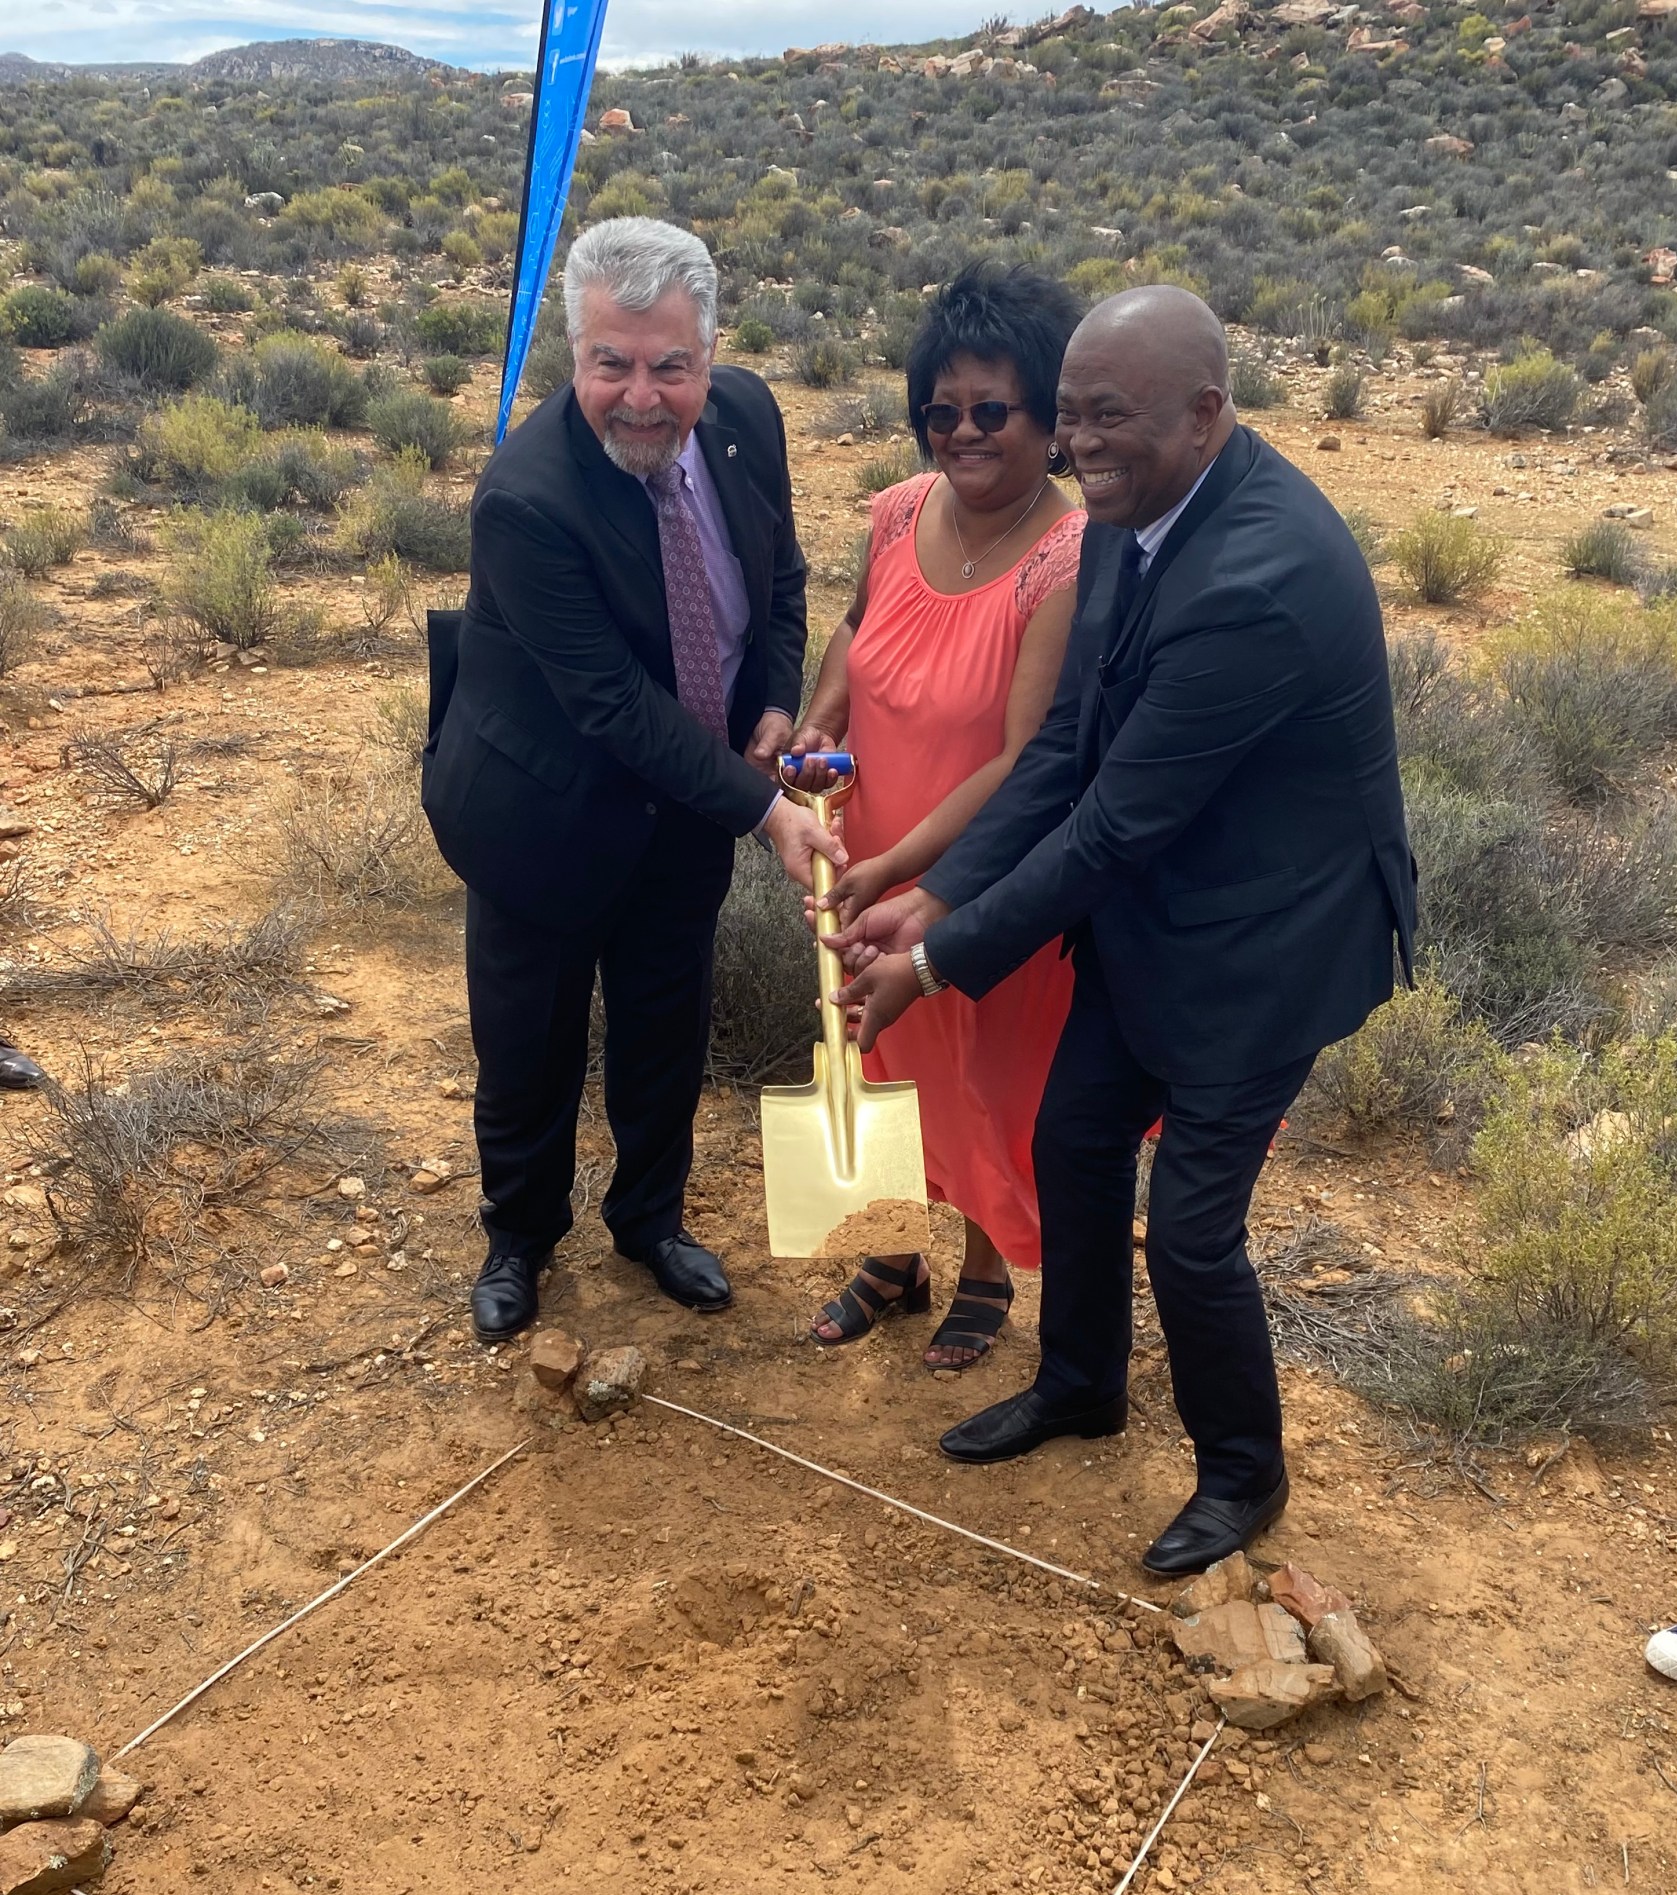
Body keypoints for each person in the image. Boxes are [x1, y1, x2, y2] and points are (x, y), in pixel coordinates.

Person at [829, 285, 1416, 1579]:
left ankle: (1241, 1472)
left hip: (1263, 952)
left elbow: (1112, 828)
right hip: (1155, 921)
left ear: (1208, 412)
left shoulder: (1257, 578)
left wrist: (932, 961)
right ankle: (1082, 1381)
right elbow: (1067, 760)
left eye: (1112, 418)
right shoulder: (1129, 515)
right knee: (1074, 1138)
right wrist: (944, 889)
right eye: (1074, 415)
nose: (1081, 443)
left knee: (1195, 1227)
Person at [423, 216, 842, 1343]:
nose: (643, 396)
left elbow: (783, 577)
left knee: (667, 1021)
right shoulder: (528, 496)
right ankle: (520, 1237)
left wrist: (771, 700)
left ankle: (650, 1221)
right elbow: (609, 704)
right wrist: (762, 808)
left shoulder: (748, 419)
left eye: (671, 365)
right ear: (576, 357)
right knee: (530, 1041)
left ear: (711, 354)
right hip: (543, 812)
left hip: (684, 806)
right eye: (613, 363)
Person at [788, 265, 1086, 1368]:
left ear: (1047, 417)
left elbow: (1022, 761)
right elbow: (856, 633)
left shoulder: (1066, 558)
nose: (963, 434)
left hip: (975, 873)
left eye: (992, 411)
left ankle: (987, 1268)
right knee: (873, 1050)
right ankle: (890, 1250)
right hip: (864, 847)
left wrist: (903, 868)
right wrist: (821, 715)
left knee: (983, 1073)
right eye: (941, 412)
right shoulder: (900, 512)